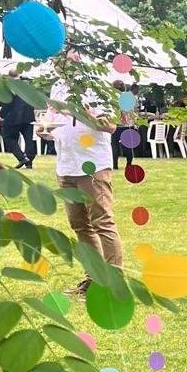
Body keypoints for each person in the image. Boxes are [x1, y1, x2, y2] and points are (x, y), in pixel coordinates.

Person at [38, 85, 125, 294]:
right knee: (79, 224)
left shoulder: (96, 85)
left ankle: (114, 282)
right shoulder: (57, 86)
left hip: (93, 165)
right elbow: (54, 123)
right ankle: (94, 278)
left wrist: (72, 109)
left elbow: (110, 125)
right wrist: (43, 129)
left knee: (102, 221)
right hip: (66, 165)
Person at [0, 91, 36, 169]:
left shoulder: (10, 87)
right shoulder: (26, 87)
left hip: (14, 117)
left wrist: (2, 115)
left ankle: (22, 158)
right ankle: (29, 161)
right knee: (29, 139)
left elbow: (7, 103)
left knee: (8, 137)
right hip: (28, 116)